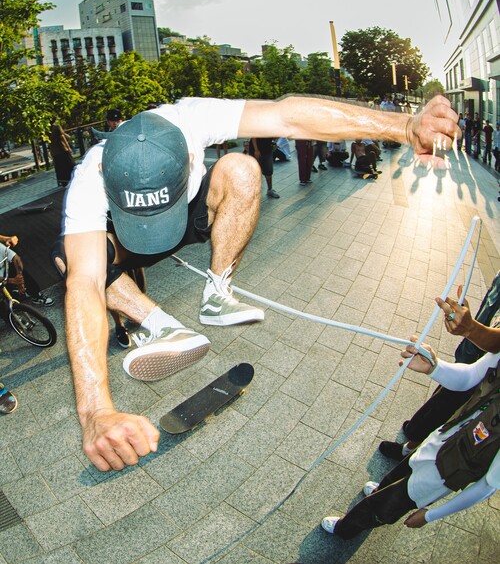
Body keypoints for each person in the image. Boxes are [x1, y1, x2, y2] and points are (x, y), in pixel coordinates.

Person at [61, 93, 459, 472]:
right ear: (104, 173)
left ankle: (217, 292)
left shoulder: (190, 120)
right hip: (124, 245)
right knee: (67, 260)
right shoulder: (88, 179)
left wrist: (404, 127)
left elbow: (290, 116)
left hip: (192, 217)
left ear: (191, 155)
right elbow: (86, 285)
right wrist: (95, 411)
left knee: (242, 168)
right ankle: (162, 325)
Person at [321, 343, 499, 539]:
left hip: (444, 473)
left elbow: (487, 486)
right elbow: (472, 375)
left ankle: (346, 529)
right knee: (398, 474)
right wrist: (434, 367)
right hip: (442, 440)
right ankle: (380, 490)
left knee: (383, 507)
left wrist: (430, 515)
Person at [379, 273, 500, 461]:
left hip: (483, 397)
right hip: (470, 362)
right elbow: (471, 374)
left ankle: (410, 449)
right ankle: (415, 434)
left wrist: (471, 329)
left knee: (444, 410)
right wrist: (436, 367)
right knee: (441, 398)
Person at [0, 237, 53, 306]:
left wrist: (19, 279)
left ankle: (36, 295)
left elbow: (16, 258)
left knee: (16, 267)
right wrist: (12, 281)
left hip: (4, 272)